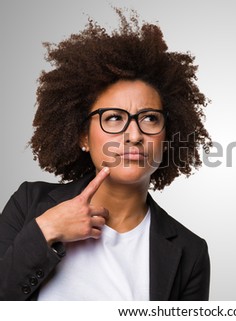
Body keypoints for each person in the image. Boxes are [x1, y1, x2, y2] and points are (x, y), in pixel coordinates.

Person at [0, 9, 211, 301]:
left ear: (167, 137)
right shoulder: (29, 205)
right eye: (113, 117)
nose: (134, 135)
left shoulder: (190, 252)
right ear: (83, 136)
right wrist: (47, 230)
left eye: (149, 118)